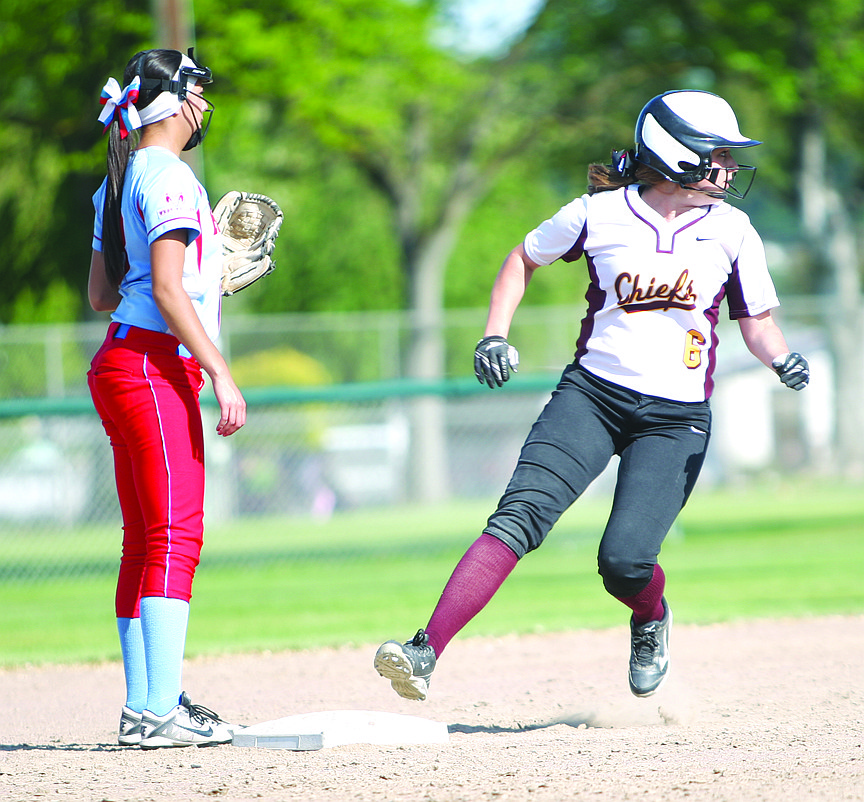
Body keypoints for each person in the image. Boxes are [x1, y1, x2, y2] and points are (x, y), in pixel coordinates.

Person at [374, 90, 809, 702]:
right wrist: (493, 333)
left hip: (675, 418)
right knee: (517, 519)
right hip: (592, 397)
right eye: (721, 155)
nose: (731, 169)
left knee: (625, 563)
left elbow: (757, 323)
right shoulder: (598, 213)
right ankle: (424, 650)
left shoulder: (734, 230)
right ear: (679, 154)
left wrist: (782, 357)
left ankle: (650, 617)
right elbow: (522, 259)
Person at [87, 48, 246, 749]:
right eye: (198, 94)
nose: (205, 107)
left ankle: (145, 706)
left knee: (144, 541)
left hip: (120, 359)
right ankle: (156, 713)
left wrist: (209, 285)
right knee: (176, 537)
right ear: (174, 103)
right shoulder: (172, 175)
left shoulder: (117, 177)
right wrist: (221, 370)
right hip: (155, 366)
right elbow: (170, 289)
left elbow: (102, 295)